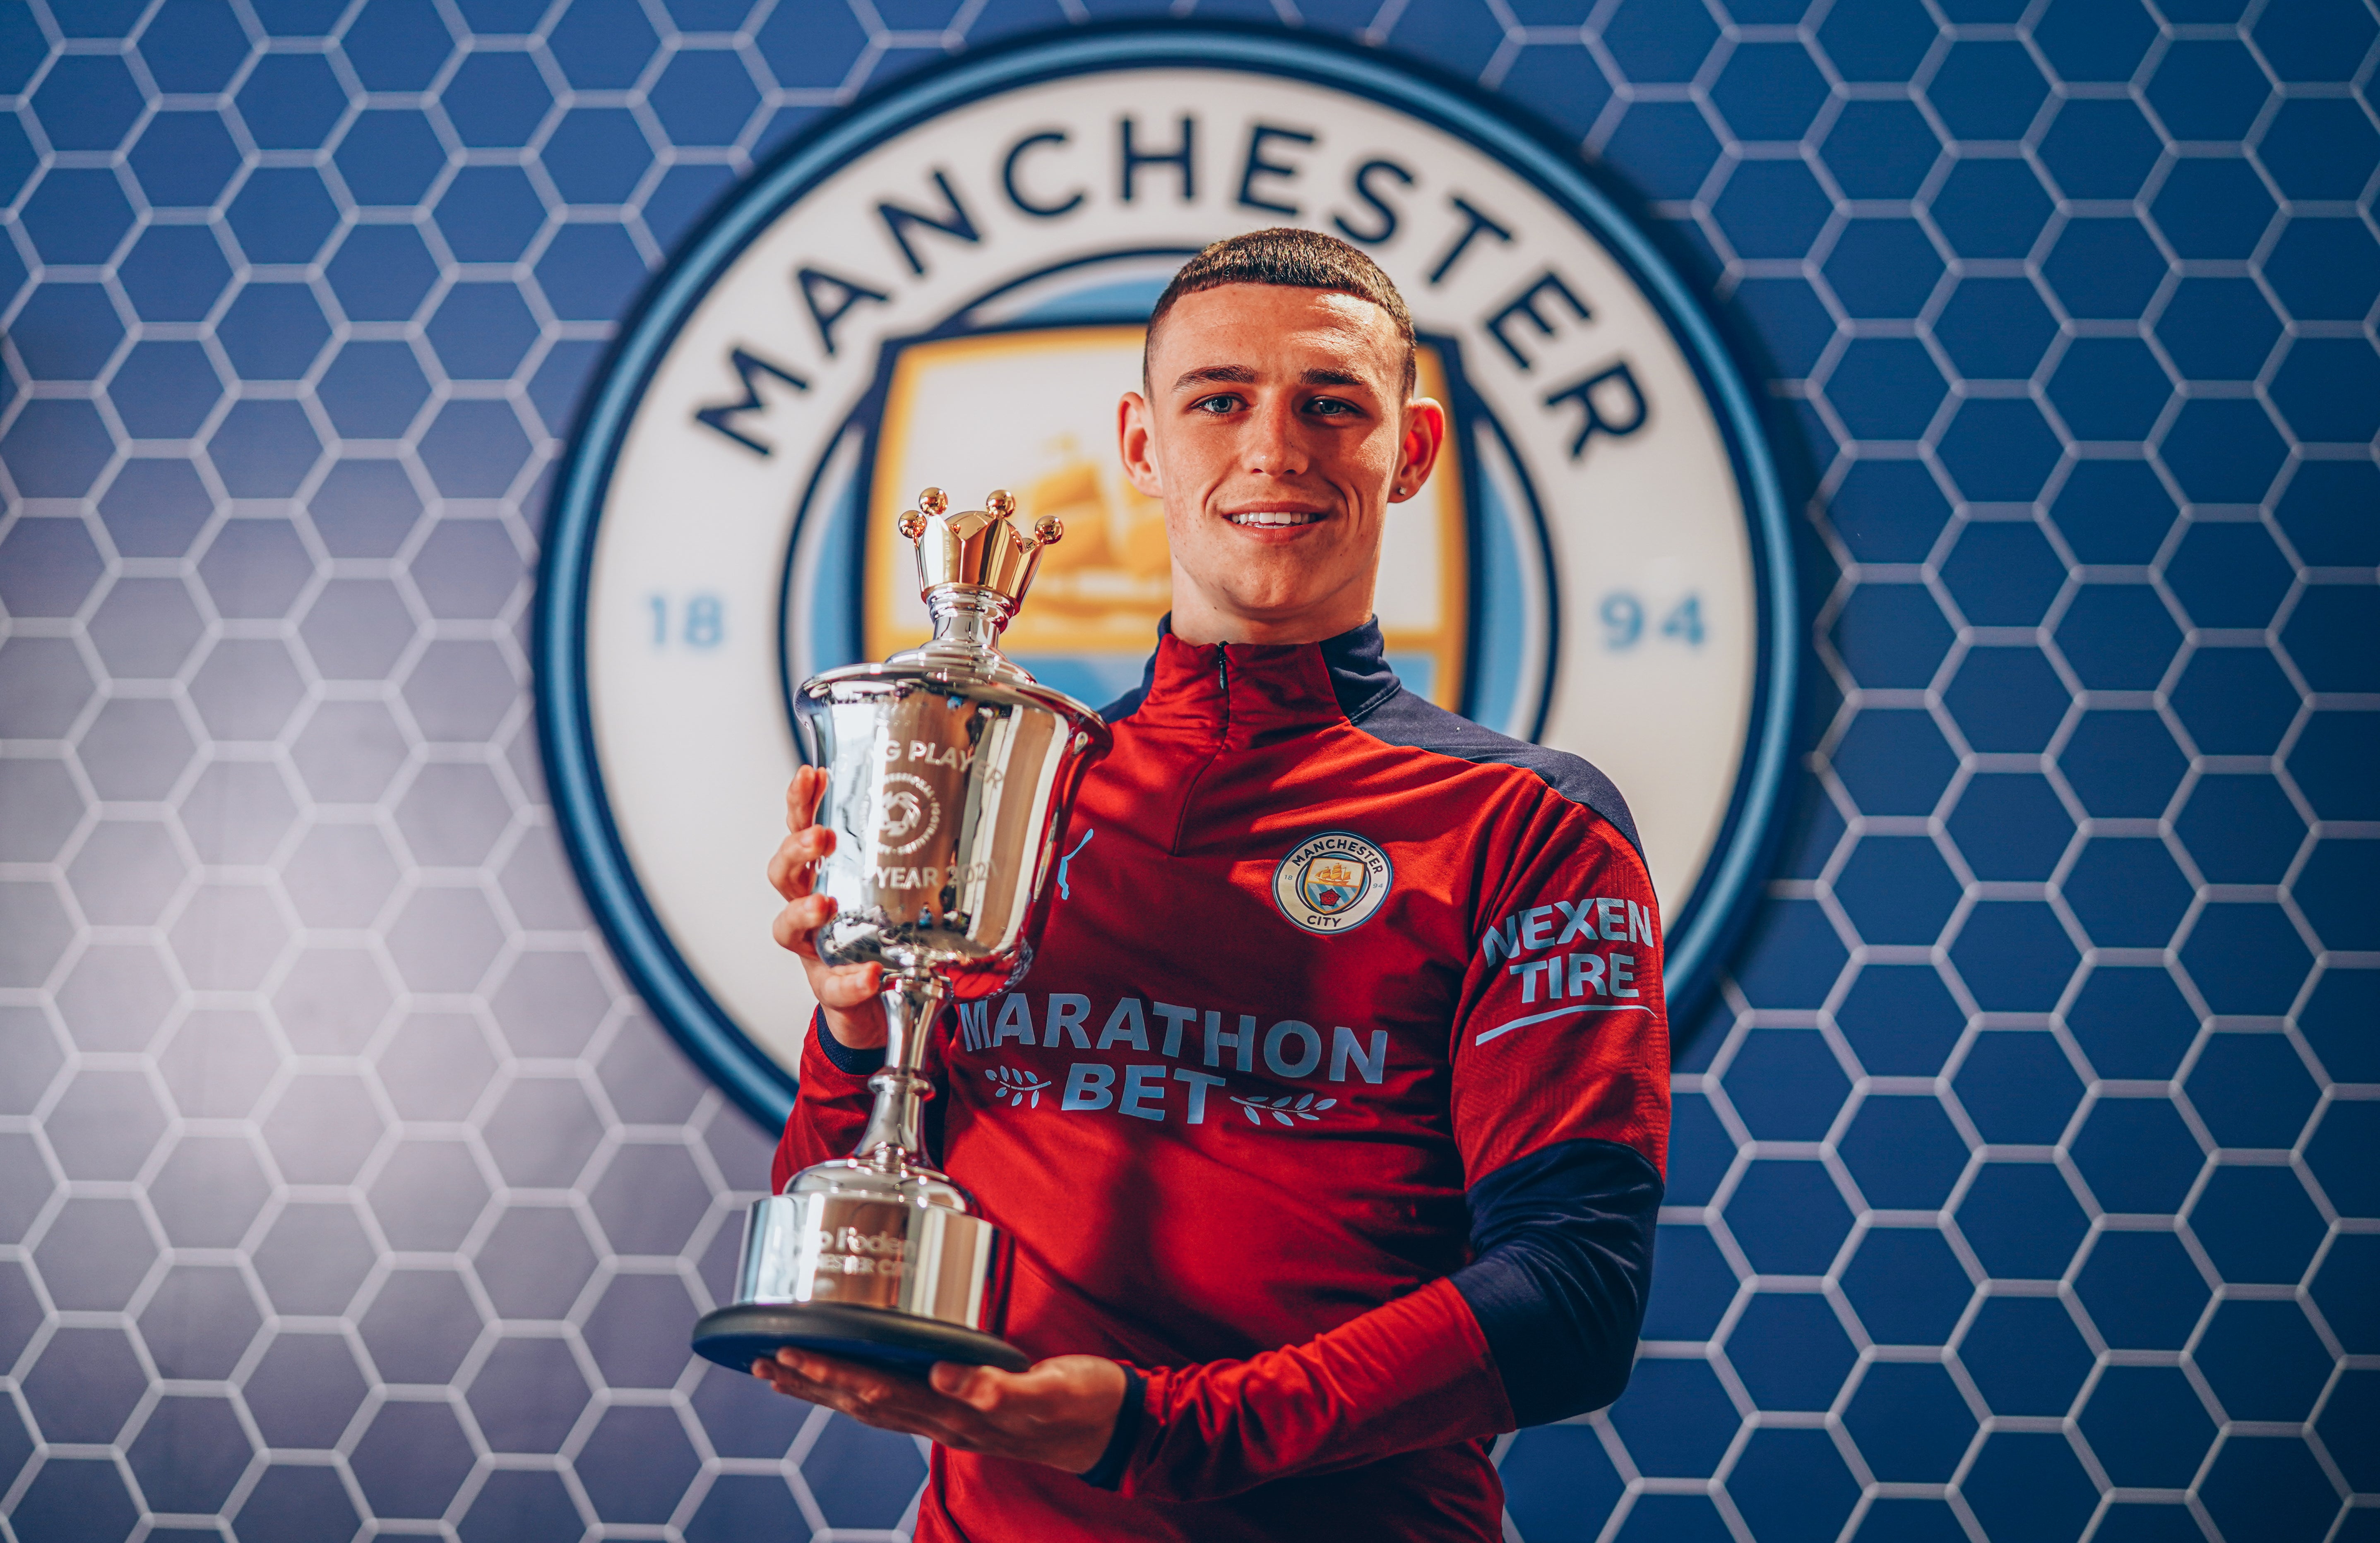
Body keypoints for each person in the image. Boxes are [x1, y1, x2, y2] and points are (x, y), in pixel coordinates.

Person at [758, 228, 1670, 1541]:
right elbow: (854, 1218)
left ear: (1410, 451)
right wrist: (854, 1024)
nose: (1274, 450)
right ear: (1142, 445)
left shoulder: (1528, 823)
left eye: (1332, 405)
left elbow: (1576, 1295)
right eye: (1219, 399)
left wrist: (1168, 1432)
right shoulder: (1010, 800)